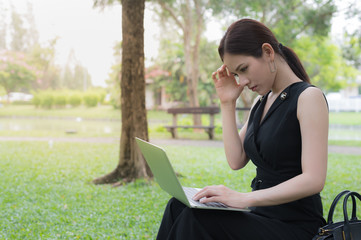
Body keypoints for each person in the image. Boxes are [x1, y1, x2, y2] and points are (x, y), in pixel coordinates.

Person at [156, 18, 329, 240]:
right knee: (177, 207)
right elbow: (236, 160)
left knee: (196, 219)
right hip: (260, 216)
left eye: (243, 69)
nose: (243, 81)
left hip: (294, 225)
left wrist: (244, 198)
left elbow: (314, 180)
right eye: (237, 74)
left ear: (268, 52)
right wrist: (227, 102)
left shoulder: (308, 97)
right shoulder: (262, 101)